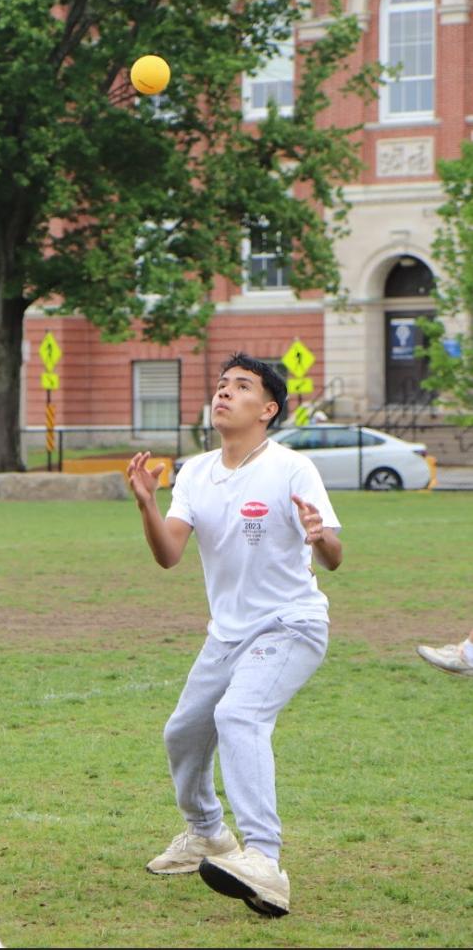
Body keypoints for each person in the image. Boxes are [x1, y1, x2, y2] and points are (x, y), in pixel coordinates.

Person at [126, 353, 343, 918]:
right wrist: (148, 505)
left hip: (291, 624)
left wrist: (320, 536)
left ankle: (264, 863)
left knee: (240, 716)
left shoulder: (292, 468)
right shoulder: (196, 473)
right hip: (227, 636)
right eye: (222, 385)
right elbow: (169, 554)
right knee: (183, 734)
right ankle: (207, 835)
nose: (224, 393)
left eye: (241, 387)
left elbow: (335, 557)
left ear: (268, 409)